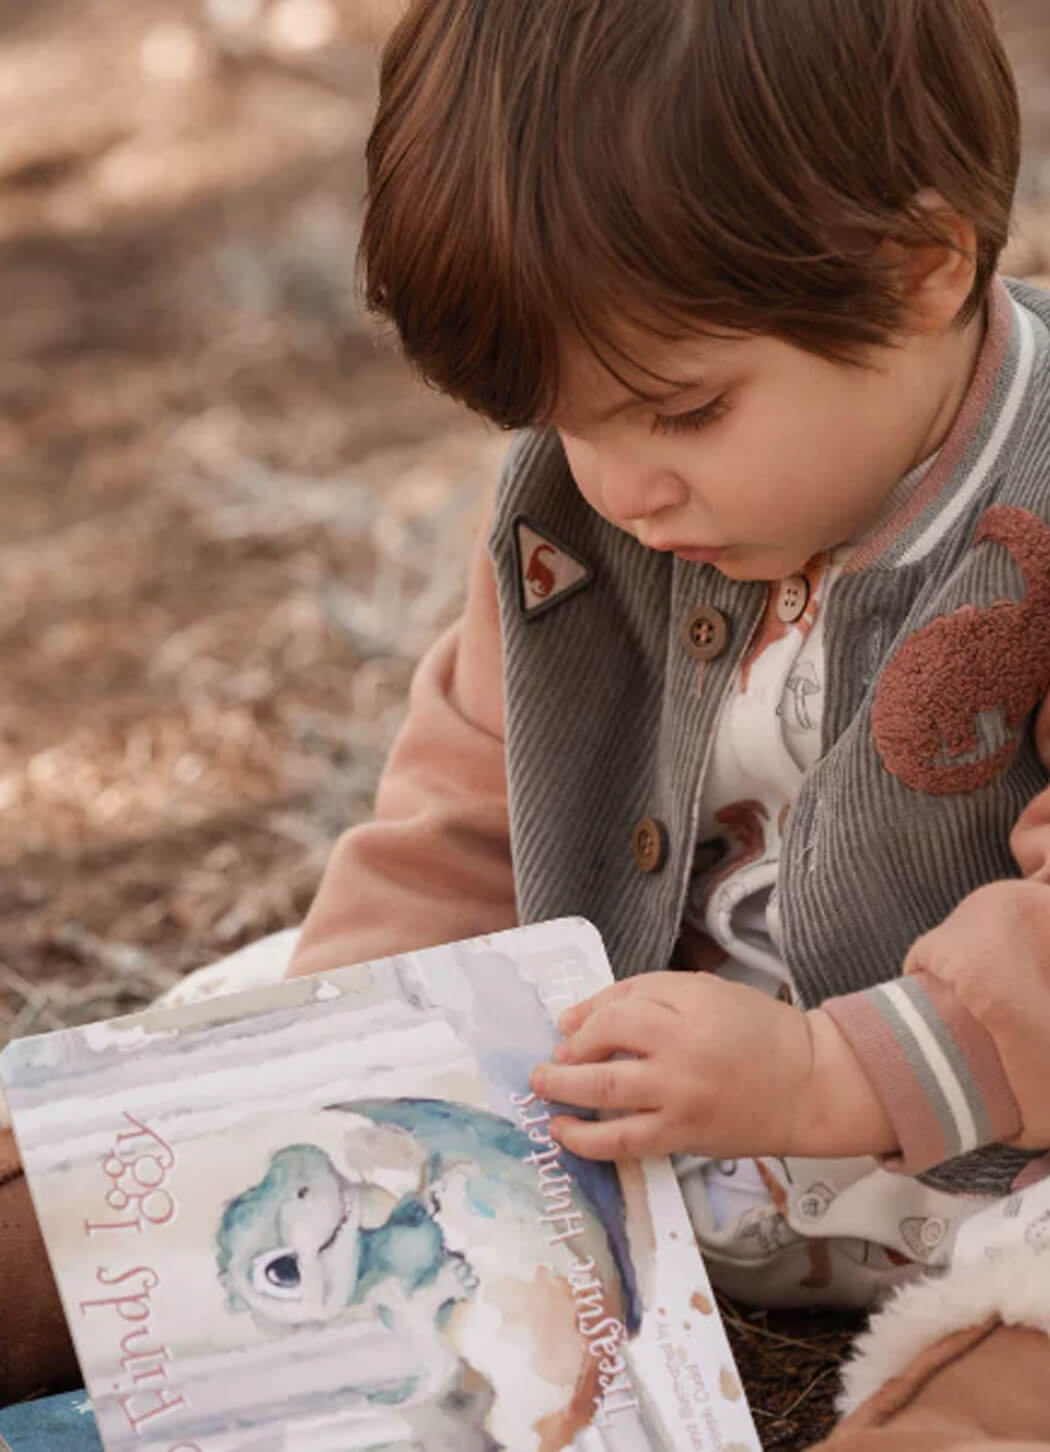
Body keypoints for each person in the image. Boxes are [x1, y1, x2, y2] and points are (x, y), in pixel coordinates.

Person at [4, 1, 1050, 1444]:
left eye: (680, 412)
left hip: (992, 1145)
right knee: (166, 1115)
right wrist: (343, 1054)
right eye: (567, 424)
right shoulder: (594, 515)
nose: (622, 488)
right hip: (633, 1113)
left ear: (920, 272)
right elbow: (466, 811)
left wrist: (828, 1074)